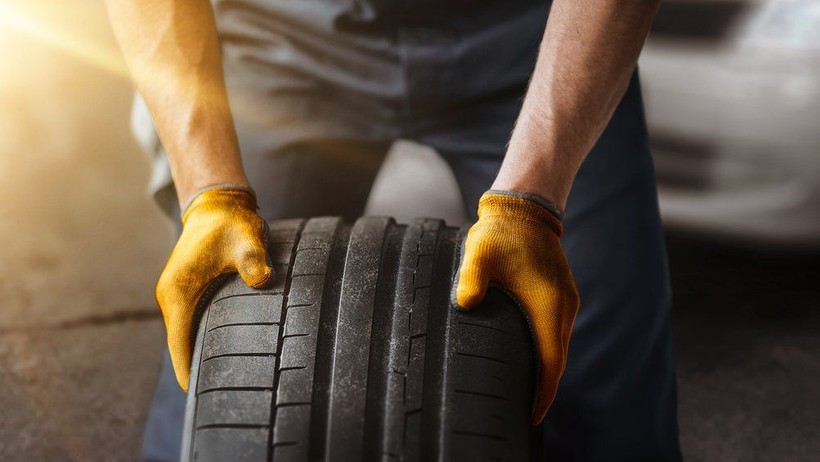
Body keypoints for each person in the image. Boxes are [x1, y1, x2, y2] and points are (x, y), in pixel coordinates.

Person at [106, 0, 681, 460]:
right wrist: (211, 192)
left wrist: (533, 203)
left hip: (533, 42)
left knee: (610, 391)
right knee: (224, 361)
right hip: (281, 38)